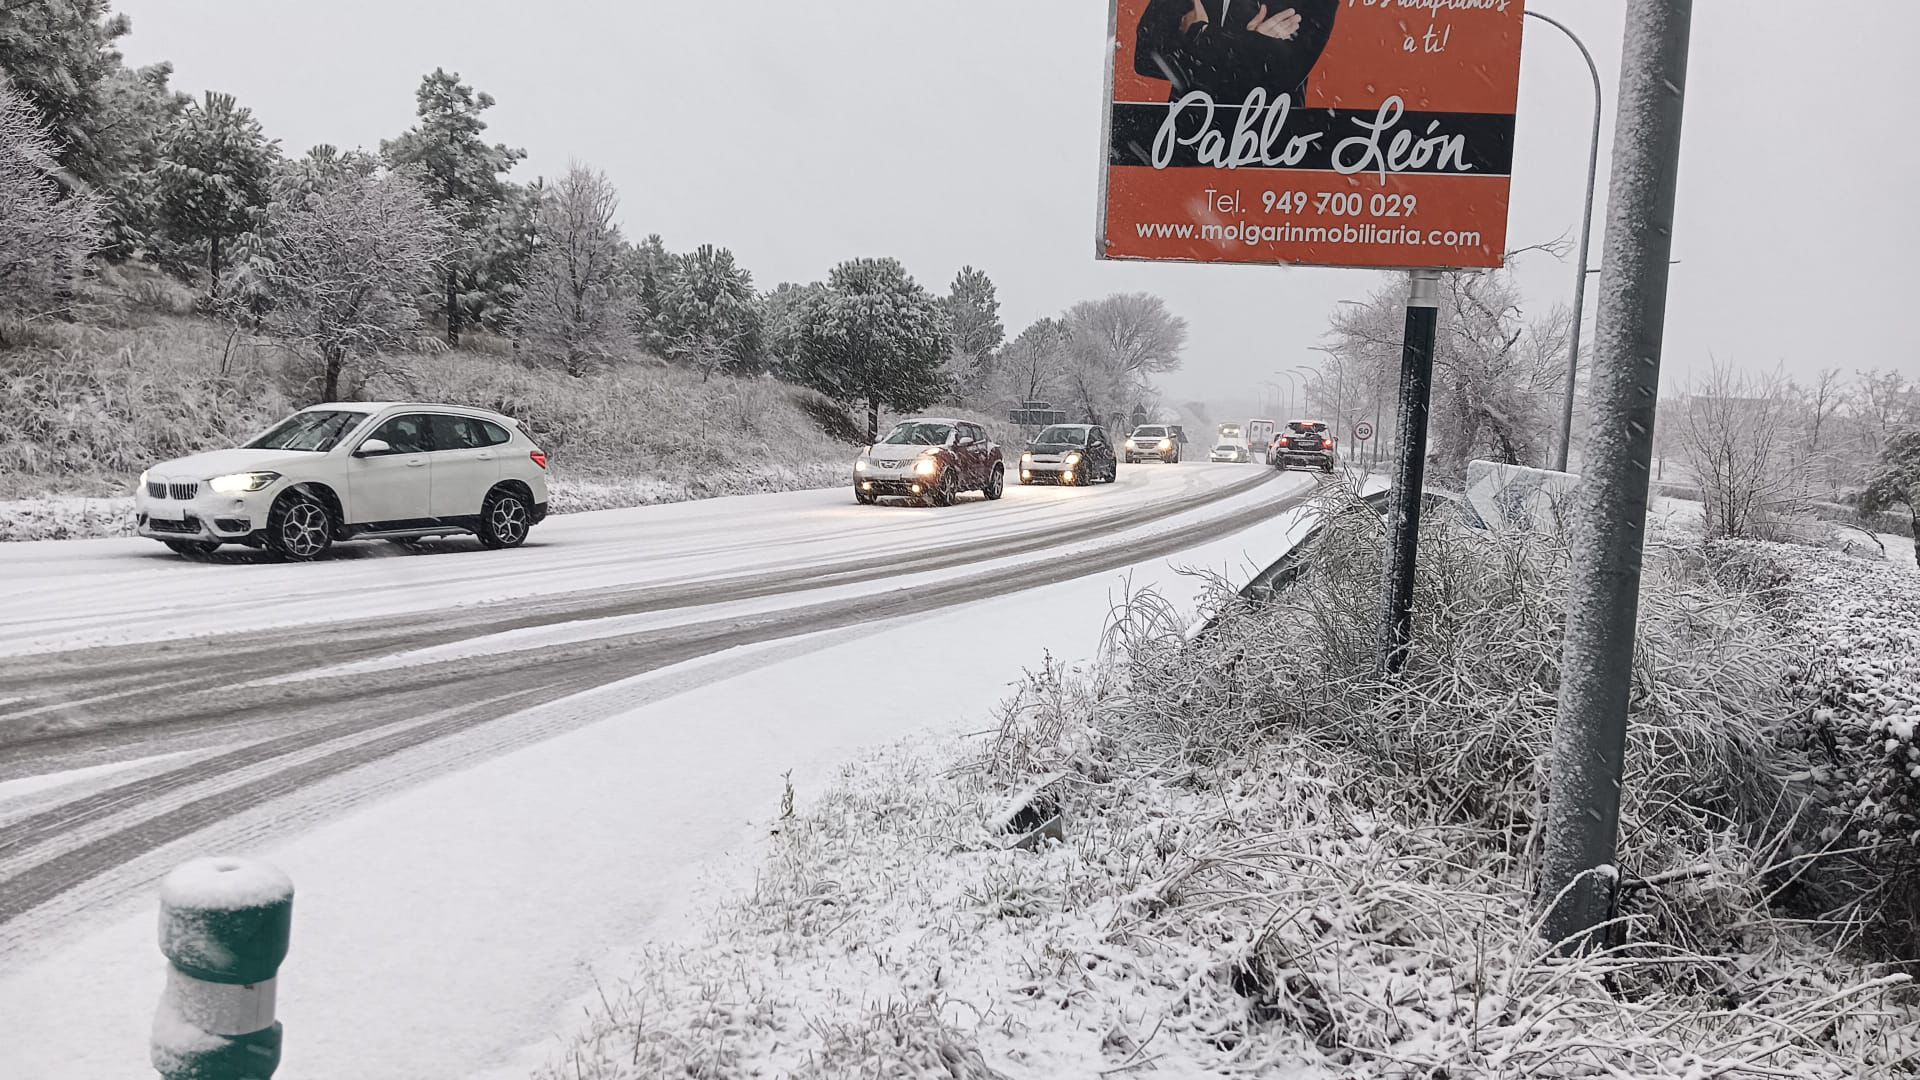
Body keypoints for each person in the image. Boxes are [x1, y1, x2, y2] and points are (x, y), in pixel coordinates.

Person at [1134, 0, 1339, 106]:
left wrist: (1198, 33)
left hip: (1267, 142)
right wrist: (1254, 43)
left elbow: (1282, 73)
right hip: (1189, 131)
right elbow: (1146, 55)